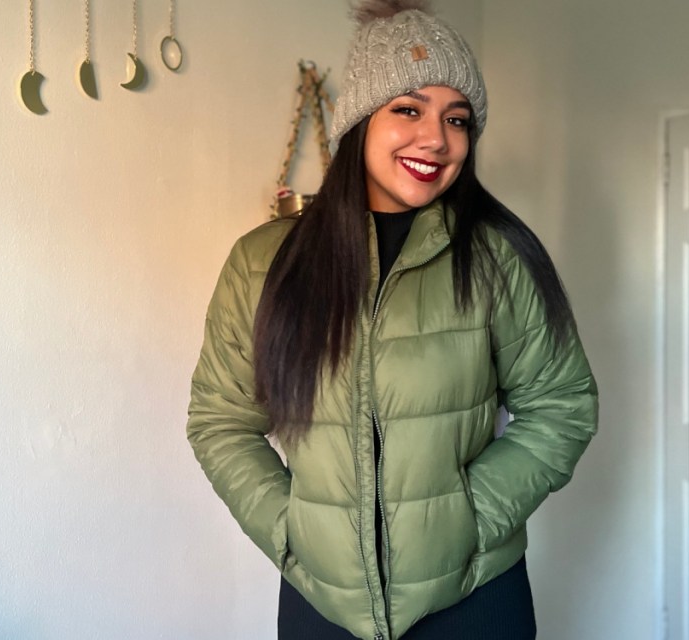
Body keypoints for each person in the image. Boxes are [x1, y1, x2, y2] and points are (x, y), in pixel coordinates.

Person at [186, 1, 599, 638]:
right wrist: (292, 534)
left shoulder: (496, 257)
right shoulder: (263, 262)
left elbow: (562, 406)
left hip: (474, 595)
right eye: (408, 109)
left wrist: (469, 521)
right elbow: (221, 422)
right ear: (360, 120)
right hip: (322, 603)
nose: (437, 138)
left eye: (456, 119)